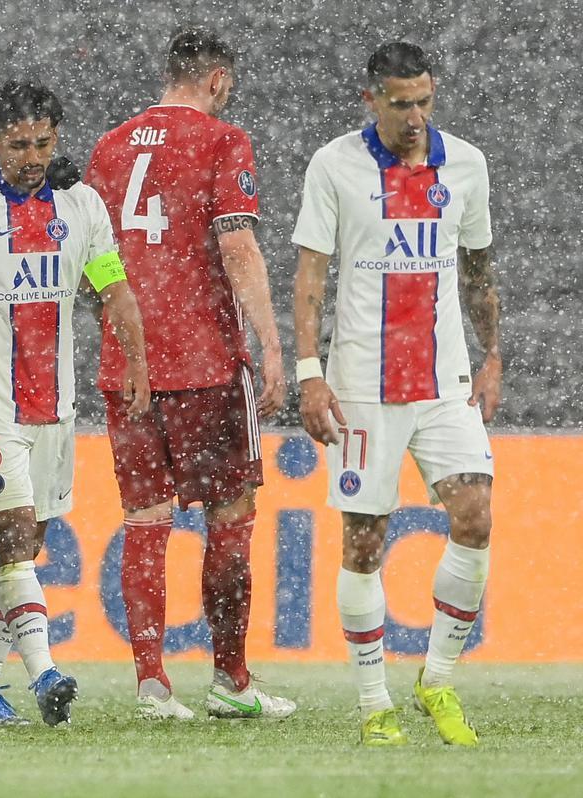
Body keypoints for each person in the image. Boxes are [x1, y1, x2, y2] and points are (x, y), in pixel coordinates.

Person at [292, 41, 499, 747]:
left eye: (425, 101)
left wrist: (493, 353)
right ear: (371, 100)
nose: (415, 117)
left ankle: (436, 678)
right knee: (364, 544)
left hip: (445, 382)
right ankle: (374, 700)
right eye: (401, 102)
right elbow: (312, 275)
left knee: (474, 516)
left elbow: (476, 268)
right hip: (361, 387)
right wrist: (307, 371)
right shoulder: (335, 165)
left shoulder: (465, 163)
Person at [85, 28, 295, 722]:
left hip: (132, 366)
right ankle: (232, 681)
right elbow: (236, 244)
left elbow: (90, 260)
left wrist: (119, 337)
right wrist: (270, 343)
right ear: (217, 80)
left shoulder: (110, 147)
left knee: (145, 520)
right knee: (230, 520)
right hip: (204, 360)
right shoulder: (222, 140)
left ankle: (151, 682)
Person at [0, 80, 150, 726]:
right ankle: (44, 670)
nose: (31, 155)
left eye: (43, 143)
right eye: (19, 144)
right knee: (16, 537)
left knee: (21, 548)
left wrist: (137, 361)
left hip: (53, 405)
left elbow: (114, 289)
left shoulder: (81, 206)